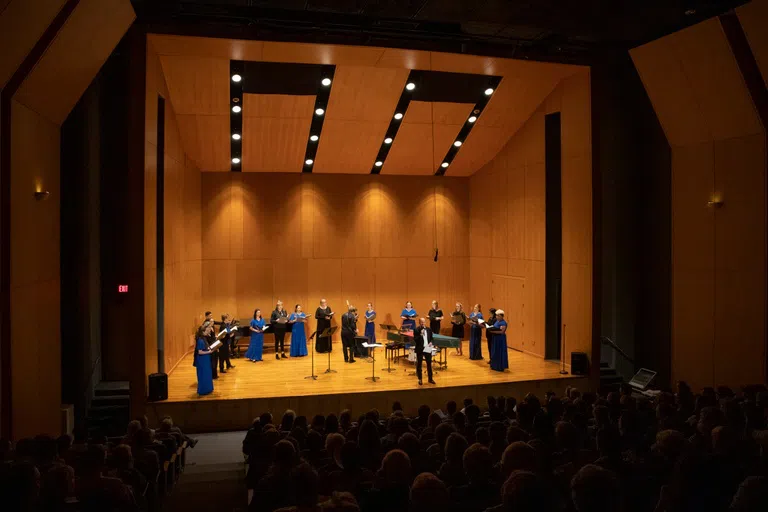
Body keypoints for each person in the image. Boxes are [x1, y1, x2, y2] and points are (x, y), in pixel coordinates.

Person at [414, 318, 435, 385]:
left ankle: (430, 379)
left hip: (427, 348)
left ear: (425, 322)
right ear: (419, 322)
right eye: (421, 322)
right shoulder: (416, 330)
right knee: (419, 364)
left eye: (424, 322)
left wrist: (431, 342)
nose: (423, 323)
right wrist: (420, 334)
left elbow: (431, 338)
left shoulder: (429, 329)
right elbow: (416, 340)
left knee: (429, 364)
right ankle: (420, 379)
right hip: (420, 349)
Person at [195, 323, 214, 395]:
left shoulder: (204, 338)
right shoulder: (200, 340)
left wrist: (209, 348)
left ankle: (208, 389)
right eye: (207, 331)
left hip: (205, 359)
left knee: (207, 374)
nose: (208, 332)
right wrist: (209, 351)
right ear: (203, 332)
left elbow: (205, 347)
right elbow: (200, 352)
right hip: (202, 360)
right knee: (203, 374)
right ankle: (203, 390)